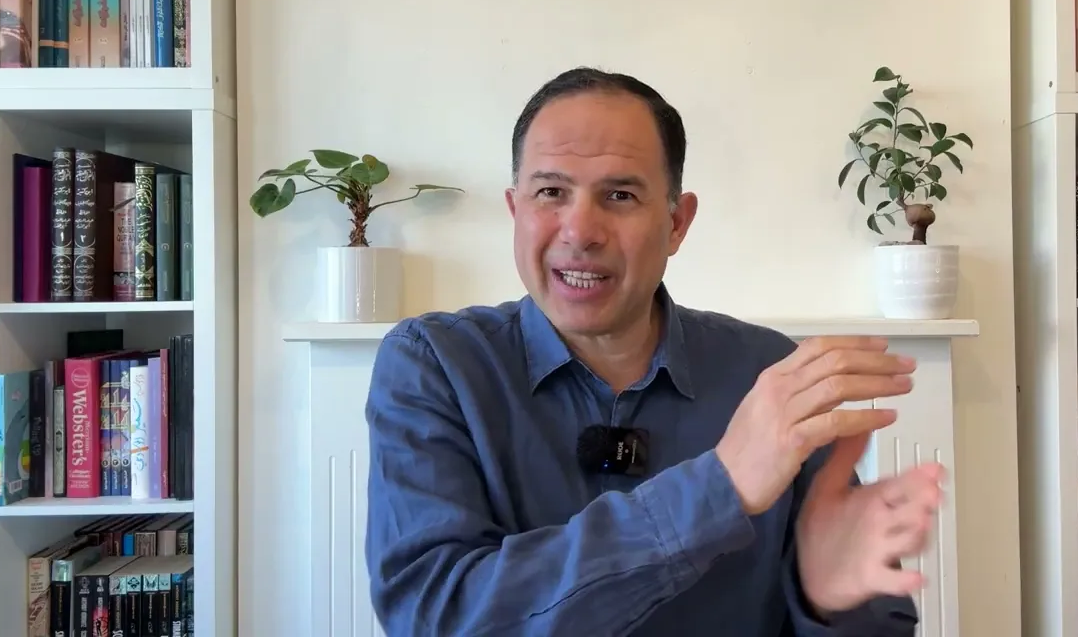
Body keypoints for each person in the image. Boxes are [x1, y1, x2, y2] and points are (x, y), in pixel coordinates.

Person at [364, 67, 946, 636]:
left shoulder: (767, 373)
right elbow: (435, 616)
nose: (580, 230)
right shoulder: (436, 365)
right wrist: (719, 489)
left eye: (619, 195)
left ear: (676, 223)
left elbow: (875, 619)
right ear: (516, 211)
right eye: (551, 192)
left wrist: (828, 607)